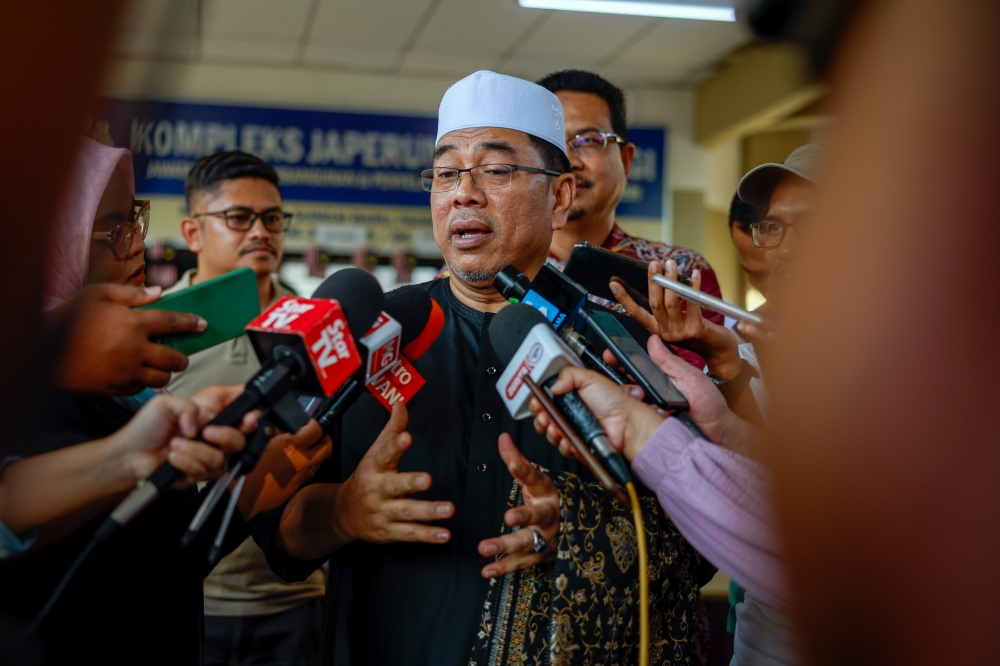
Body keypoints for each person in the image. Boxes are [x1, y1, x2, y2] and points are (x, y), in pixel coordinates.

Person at [251, 71, 713, 666]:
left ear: (561, 196)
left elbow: (705, 545)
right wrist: (344, 510)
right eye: (446, 174)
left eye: (496, 171)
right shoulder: (368, 333)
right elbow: (278, 536)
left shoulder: (618, 347)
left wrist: (578, 532)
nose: (463, 194)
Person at [0, 137, 322, 666]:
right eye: (110, 231)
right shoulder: (30, 395)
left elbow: (156, 562)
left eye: (136, 221)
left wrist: (248, 488)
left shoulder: (128, 383)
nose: (134, 246)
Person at [165, 150, 331, 666]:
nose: (261, 231)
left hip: (296, 601)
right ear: (193, 233)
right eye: (239, 218)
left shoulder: (320, 325)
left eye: (273, 218)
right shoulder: (157, 332)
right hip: (190, 598)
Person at [536, 71, 725, 333]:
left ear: (626, 161)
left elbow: (702, 370)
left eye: (589, 140)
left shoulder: (679, 274)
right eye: (553, 144)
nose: (569, 161)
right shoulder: (496, 271)